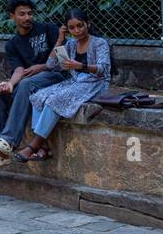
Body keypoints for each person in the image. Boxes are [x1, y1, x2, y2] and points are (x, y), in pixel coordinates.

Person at [0, 0, 66, 170]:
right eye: (22, 14)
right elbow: (19, 70)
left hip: (57, 76)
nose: (27, 18)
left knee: (25, 84)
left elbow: (64, 58)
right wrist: (10, 84)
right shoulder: (12, 44)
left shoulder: (48, 29)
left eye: (30, 13)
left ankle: (9, 141)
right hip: (33, 81)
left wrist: (42, 67)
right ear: (12, 17)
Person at [13, 8, 111, 162]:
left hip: (95, 84)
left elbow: (103, 70)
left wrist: (80, 66)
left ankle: (33, 146)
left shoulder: (99, 43)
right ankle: (44, 147)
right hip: (75, 82)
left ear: (88, 24)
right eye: (72, 28)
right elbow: (51, 64)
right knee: (38, 96)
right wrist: (60, 40)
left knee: (54, 100)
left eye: (80, 26)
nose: (77, 31)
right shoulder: (71, 44)